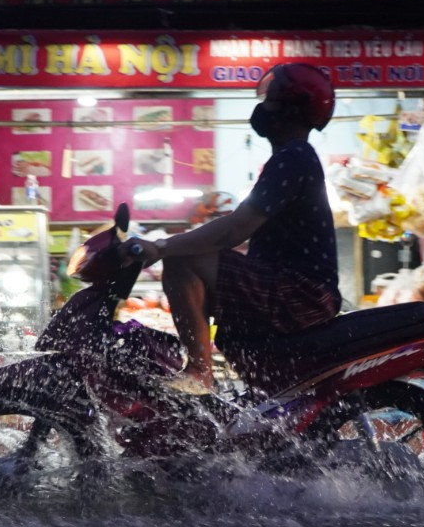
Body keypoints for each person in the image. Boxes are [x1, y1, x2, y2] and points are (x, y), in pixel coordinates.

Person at [122, 63, 342, 394]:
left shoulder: (294, 157)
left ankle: (199, 373)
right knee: (196, 264)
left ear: (290, 108)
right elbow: (241, 235)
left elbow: (235, 229)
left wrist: (162, 247)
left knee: (183, 261)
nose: (262, 108)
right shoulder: (292, 158)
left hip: (301, 293)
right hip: (295, 288)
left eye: (272, 99)